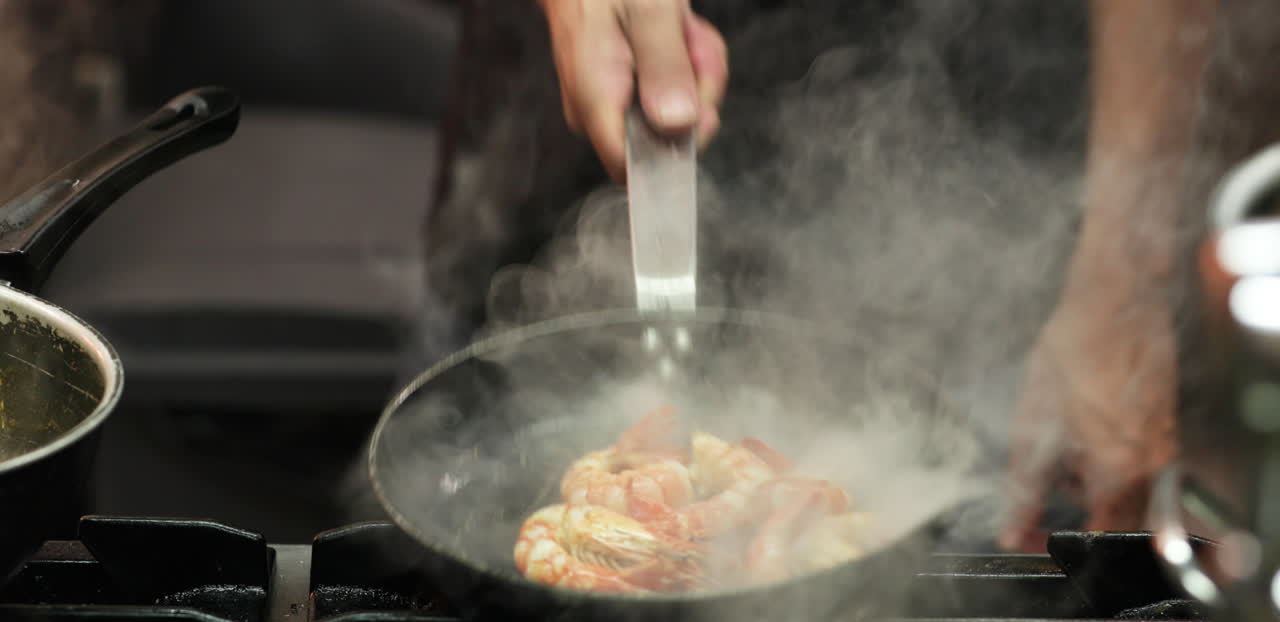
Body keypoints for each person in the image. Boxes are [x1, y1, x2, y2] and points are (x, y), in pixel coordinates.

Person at [425, 0, 1280, 552]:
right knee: (486, 470)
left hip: (986, 167)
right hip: (583, 96)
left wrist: (1121, 284)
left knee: (962, 530)